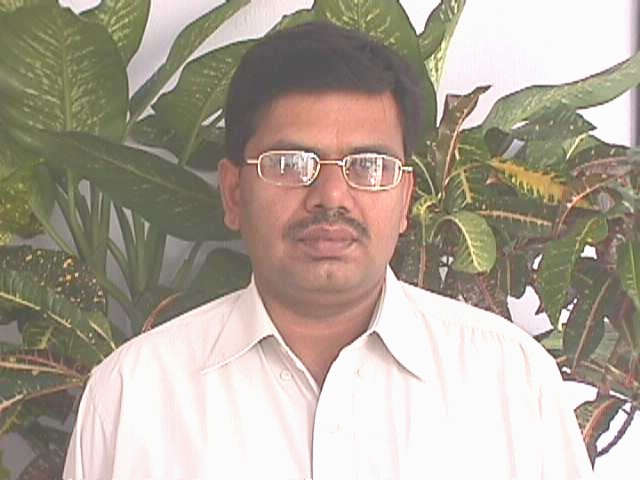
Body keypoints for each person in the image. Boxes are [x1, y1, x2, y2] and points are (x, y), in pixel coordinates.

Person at [63, 21, 593, 479]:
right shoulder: (132, 397)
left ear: (405, 199)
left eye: (369, 165)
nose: (332, 197)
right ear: (234, 193)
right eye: (290, 164)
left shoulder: (511, 383)